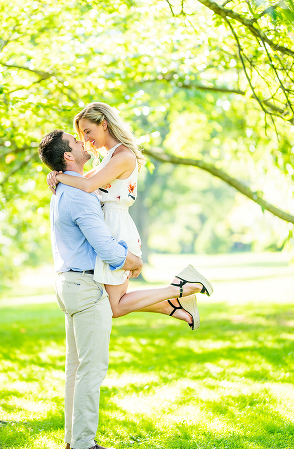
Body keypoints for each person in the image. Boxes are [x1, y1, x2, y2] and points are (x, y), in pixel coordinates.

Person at [38, 128, 210, 449]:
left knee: (76, 368)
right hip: (85, 287)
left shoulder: (65, 189)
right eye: (76, 141)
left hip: (70, 284)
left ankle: (76, 441)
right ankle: (84, 448)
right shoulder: (78, 194)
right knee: (91, 370)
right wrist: (131, 260)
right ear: (68, 156)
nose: (83, 142)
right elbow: (103, 244)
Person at [46, 102, 213, 329]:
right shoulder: (111, 156)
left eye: (87, 132)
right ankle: (172, 304)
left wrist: (59, 177)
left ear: (103, 124)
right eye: (81, 135)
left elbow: (87, 185)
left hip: (117, 227)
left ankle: (180, 288)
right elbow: (84, 181)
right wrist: (58, 175)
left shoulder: (123, 155)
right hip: (110, 224)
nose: (85, 140)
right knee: (113, 304)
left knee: (115, 307)